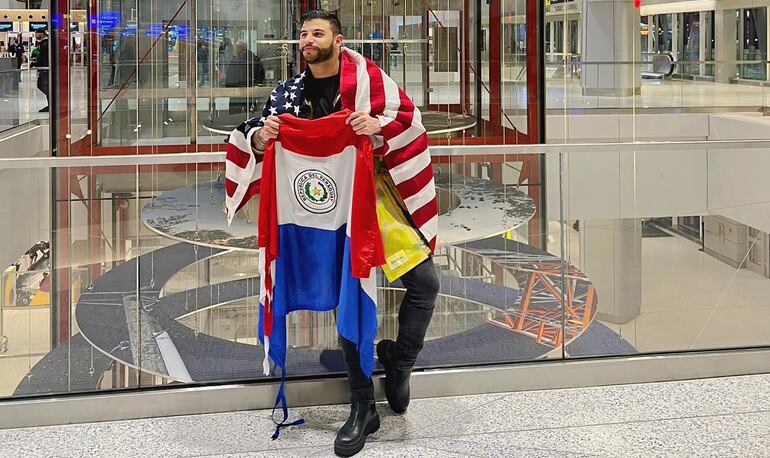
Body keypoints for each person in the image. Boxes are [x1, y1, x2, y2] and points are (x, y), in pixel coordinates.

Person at [230, 10, 439, 457]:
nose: (307, 39)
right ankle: (363, 405)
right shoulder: (287, 94)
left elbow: (410, 119)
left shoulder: (368, 81)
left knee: (425, 284)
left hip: (374, 200)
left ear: (338, 40)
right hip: (322, 209)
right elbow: (248, 133)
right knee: (350, 294)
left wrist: (377, 127)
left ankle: (399, 360)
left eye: (317, 33)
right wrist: (261, 137)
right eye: (303, 34)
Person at [31, 30, 49, 112]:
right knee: (43, 86)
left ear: (42, 34)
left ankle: (51, 104)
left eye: (37, 33)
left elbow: (44, 57)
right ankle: (51, 103)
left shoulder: (45, 44)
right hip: (44, 69)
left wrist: (43, 68)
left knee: (43, 85)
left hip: (45, 69)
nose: (35, 35)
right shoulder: (43, 43)